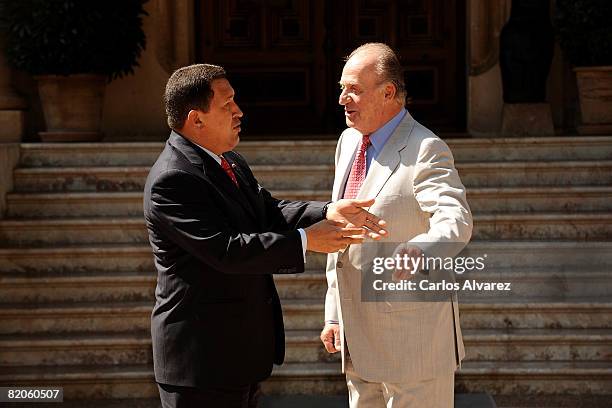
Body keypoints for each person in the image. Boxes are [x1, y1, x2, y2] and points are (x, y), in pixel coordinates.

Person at [143, 63, 388, 408]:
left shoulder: (229, 161)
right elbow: (225, 250)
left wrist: (327, 211)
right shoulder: (173, 179)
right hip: (202, 363)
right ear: (196, 119)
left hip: (239, 358)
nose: (238, 111)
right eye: (227, 104)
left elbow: (268, 212)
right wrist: (307, 240)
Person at [320, 43, 473, 407]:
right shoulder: (348, 142)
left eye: (353, 89)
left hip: (414, 341)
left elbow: (456, 219)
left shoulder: (425, 148)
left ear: (388, 92)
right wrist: (335, 315)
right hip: (358, 338)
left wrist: (419, 250)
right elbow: (343, 233)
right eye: (342, 88)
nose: (343, 99)